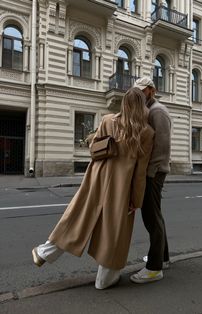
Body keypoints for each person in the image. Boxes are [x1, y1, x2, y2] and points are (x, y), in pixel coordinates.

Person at [32, 87, 154, 290]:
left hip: (97, 178)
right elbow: (140, 172)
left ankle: (45, 252)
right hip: (121, 186)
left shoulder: (108, 120)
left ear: (124, 104)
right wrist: (136, 200)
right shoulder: (147, 133)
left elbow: (94, 148)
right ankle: (104, 280)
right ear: (143, 106)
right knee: (114, 230)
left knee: (79, 217)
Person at [130, 77, 171, 284]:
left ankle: (154, 268)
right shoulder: (150, 110)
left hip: (154, 172)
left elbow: (162, 147)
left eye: (142, 91)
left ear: (151, 91)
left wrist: (150, 173)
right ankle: (162, 258)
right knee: (155, 214)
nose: (139, 94)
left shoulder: (158, 111)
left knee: (151, 216)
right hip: (152, 172)